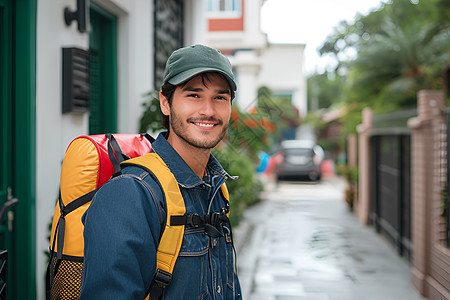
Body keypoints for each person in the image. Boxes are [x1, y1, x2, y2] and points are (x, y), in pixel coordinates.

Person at [80, 44, 242, 299]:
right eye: (194, 95)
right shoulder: (131, 195)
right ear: (166, 103)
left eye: (220, 98)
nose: (208, 111)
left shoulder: (215, 187)